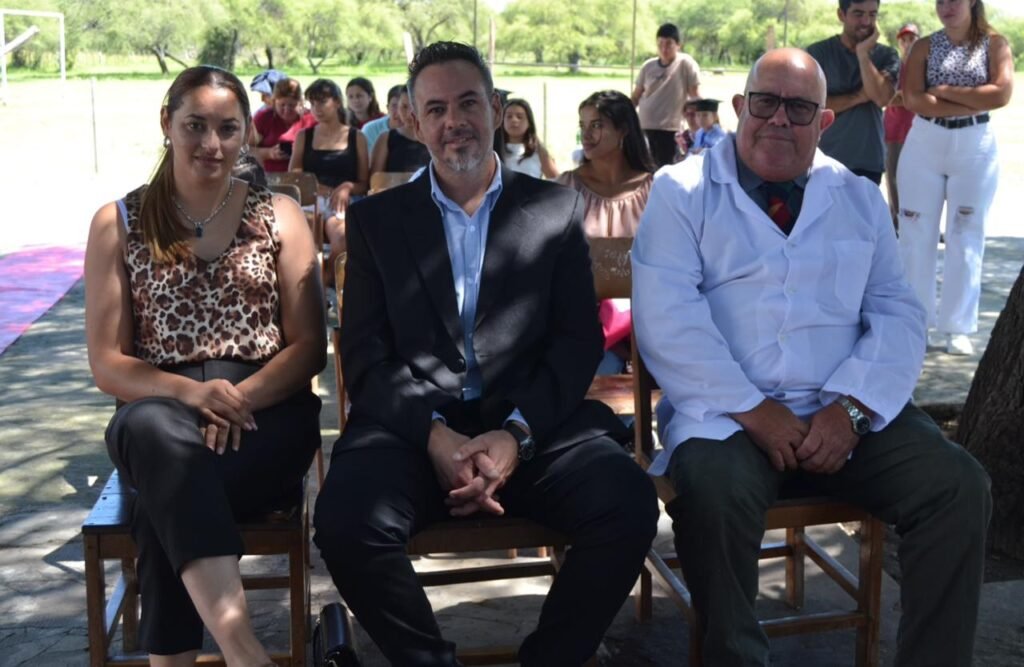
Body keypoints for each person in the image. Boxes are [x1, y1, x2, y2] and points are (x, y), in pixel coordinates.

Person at [632, 48, 991, 666]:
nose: (779, 119)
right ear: (740, 107)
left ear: (824, 122)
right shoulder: (681, 191)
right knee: (712, 497)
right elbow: (667, 317)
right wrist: (754, 409)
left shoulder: (857, 197)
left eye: (799, 108)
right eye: (765, 102)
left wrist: (851, 409)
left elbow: (898, 313)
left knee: (958, 486)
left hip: (843, 413)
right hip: (727, 417)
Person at [313, 41, 658, 666]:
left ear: (496, 109)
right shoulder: (376, 222)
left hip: (532, 428)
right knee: (344, 523)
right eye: (436, 109)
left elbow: (577, 341)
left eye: (468, 102)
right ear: (413, 121)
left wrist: (515, 434)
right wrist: (435, 436)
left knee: (629, 504)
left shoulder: (554, 209)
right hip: (412, 432)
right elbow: (363, 356)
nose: (454, 122)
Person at [84, 65, 325, 667]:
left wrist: (234, 400)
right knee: (156, 437)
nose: (211, 143)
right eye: (195, 125)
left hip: (265, 417)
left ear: (247, 133)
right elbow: (107, 363)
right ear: (166, 123)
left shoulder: (281, 214)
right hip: (160, 413)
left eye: (227, 128)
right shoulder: (119, 222)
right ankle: (244, 652)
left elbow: (309, 347)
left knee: (163, 497)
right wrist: (193, 396)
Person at [897, 0, 1013, 356]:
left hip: (974, 145)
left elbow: (1001, 93)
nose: (946, 6)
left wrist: (944, 91)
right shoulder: (924, 46)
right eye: (940, 0)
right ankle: (916, 323)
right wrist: (973, 99)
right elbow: (913, 99)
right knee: (916, 234)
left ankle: (957, 327)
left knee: (966, 233)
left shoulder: (995, 44)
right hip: (925, 143)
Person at [806, 0, 900, 184]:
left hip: (868, 161)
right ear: (841, 15)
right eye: (858, 14)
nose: (866, 21)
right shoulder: (818, 53)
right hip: (823, 158)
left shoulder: (887, 55)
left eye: (872, 14)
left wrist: (863, 53)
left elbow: (882, 98)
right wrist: (858, 97)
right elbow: (811, 106)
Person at [289, 78, 369, 219]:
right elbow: (295, 177)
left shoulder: (357, 137)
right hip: (311, 202)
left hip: (344, 202)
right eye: (312, 104)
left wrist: (347, 187)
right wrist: (320, 190)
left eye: (322, 102)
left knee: (338, 229)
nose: (316, 109)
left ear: (337, 102)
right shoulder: (303, 136)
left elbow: (364, 183)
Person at [631, 23, 701, 168]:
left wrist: (705, 119)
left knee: (666, 169)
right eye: (660, 44)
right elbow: (636, 96)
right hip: (645, 127)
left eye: (669, 44)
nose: (664, 49)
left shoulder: (686, 64)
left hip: (671, 129)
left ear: (678, 45)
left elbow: (695, 95)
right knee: (644, 167)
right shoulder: (648, 66)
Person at [882, 22, 919, 229]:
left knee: (918, 178)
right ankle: (897, 222)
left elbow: (923, 96)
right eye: (903, 40)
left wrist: (907, 97)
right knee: (894, 177)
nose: (907, 43)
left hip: (917, 129)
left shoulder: (922, 65)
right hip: (893, 129)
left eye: (911, 38)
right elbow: (886, 96)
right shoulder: (894, 65)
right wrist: (909, 97)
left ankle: (919, 221)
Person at [251, 77, 317, 173]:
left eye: (292, 105)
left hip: (304, 174)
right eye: (282, 105)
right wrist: (269, 153)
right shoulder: (264, 118)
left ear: (300, 103)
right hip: (270, 175)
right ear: (274, 102)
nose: (286, 110)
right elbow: (245, 150)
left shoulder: (311, 119)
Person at [369, 86, 431, 175]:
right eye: (404, 107)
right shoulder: (385, 139)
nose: (410, 113)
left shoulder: (436, 137)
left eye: (415, 107)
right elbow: (375, 179)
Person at [495, 98, 558, 178]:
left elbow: (556, 178)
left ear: (529, 122)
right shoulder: (494, 151)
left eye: (519, 117)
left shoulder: (538, 152)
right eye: (509, 116)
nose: (514, 120)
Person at [361, 84, 403, 152]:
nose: (399, 112)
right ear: (387, 107)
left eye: (405, 106)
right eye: (394, 106)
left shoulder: (419, 131)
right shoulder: (370, 130)